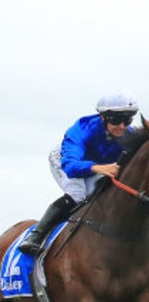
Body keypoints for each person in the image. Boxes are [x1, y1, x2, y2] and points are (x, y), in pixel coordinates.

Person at [18, 93, 139, 256]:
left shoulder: (129, 135)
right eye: (116, 120)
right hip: (65, 160)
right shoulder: (82, 129)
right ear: (103, 117)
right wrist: (98, 168)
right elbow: (70, 166)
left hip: (98, 165)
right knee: (77, 195)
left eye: (127, 120)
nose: (122, 126)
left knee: (101, 197)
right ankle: (36, 236)